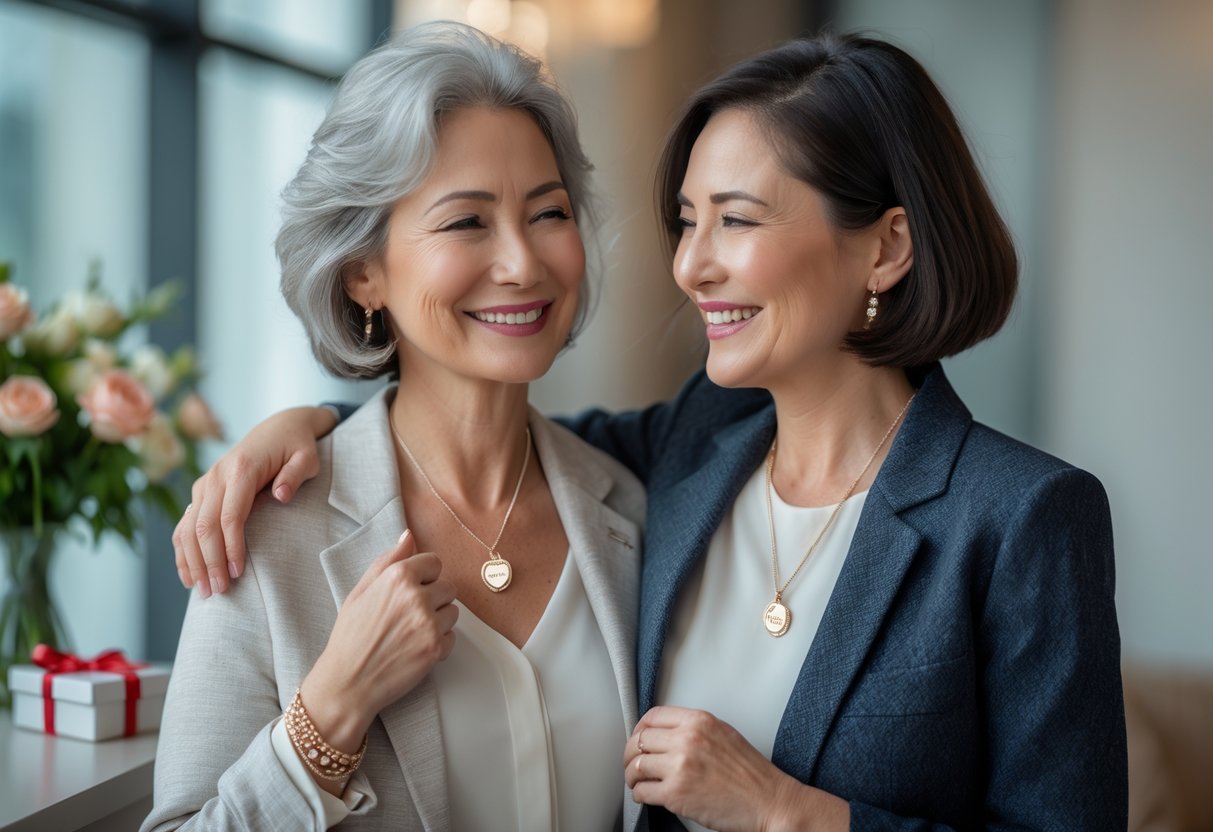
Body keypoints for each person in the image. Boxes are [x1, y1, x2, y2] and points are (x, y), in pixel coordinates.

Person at [175, 32, 1127, 831]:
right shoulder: (675, 464)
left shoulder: (1021, 515)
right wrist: (300, 433)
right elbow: (446, 436)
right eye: (685, 221)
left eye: (738, 219)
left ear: (885, 246)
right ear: (361, 274)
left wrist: (788, 813)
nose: (692, 267)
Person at [142, 21, 646, 832]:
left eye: (547, 212)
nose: (523, 262)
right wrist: (330, 712)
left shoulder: (628, 505)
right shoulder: (265, 537)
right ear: (363, 272)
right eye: (465, 222)